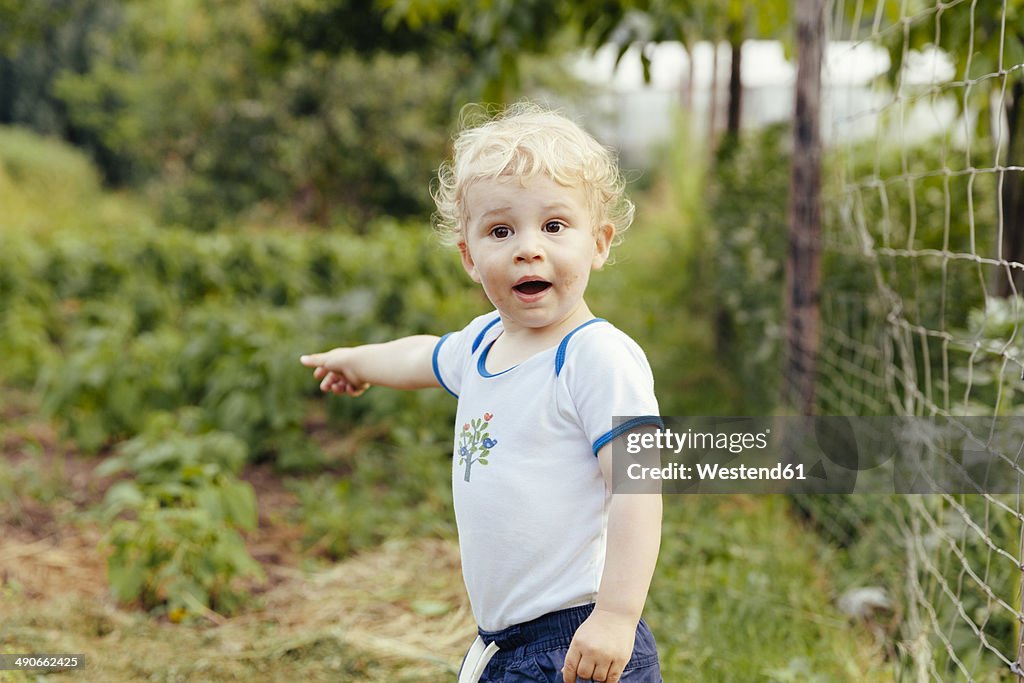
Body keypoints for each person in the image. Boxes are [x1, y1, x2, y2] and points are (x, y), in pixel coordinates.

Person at [299, 102, 663, 683]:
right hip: (504, 643)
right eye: (501, 230)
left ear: (598, 242)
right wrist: (358, 362)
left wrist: (617, 616)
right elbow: (421, 355)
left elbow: (638, 488)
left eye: (553, 226)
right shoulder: (484, 344)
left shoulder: (596, 356)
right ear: (470, 256)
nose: (527, 247)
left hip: (572, 640)